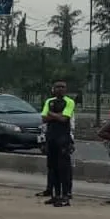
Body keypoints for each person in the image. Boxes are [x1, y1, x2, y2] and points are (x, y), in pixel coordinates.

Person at [40, 79, 75, 207]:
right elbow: (44, 118)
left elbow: (64, 118)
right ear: (53, 89)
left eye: (63, 87)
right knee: (52, 167)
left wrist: (52, 115)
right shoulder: (49, 101)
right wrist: (56, 116)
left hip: (64, 139)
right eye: (57, 87)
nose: (60, 89)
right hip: (51, 138)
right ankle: (55, 195)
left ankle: (65, 196)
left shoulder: (69, 102)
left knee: (63, 168)